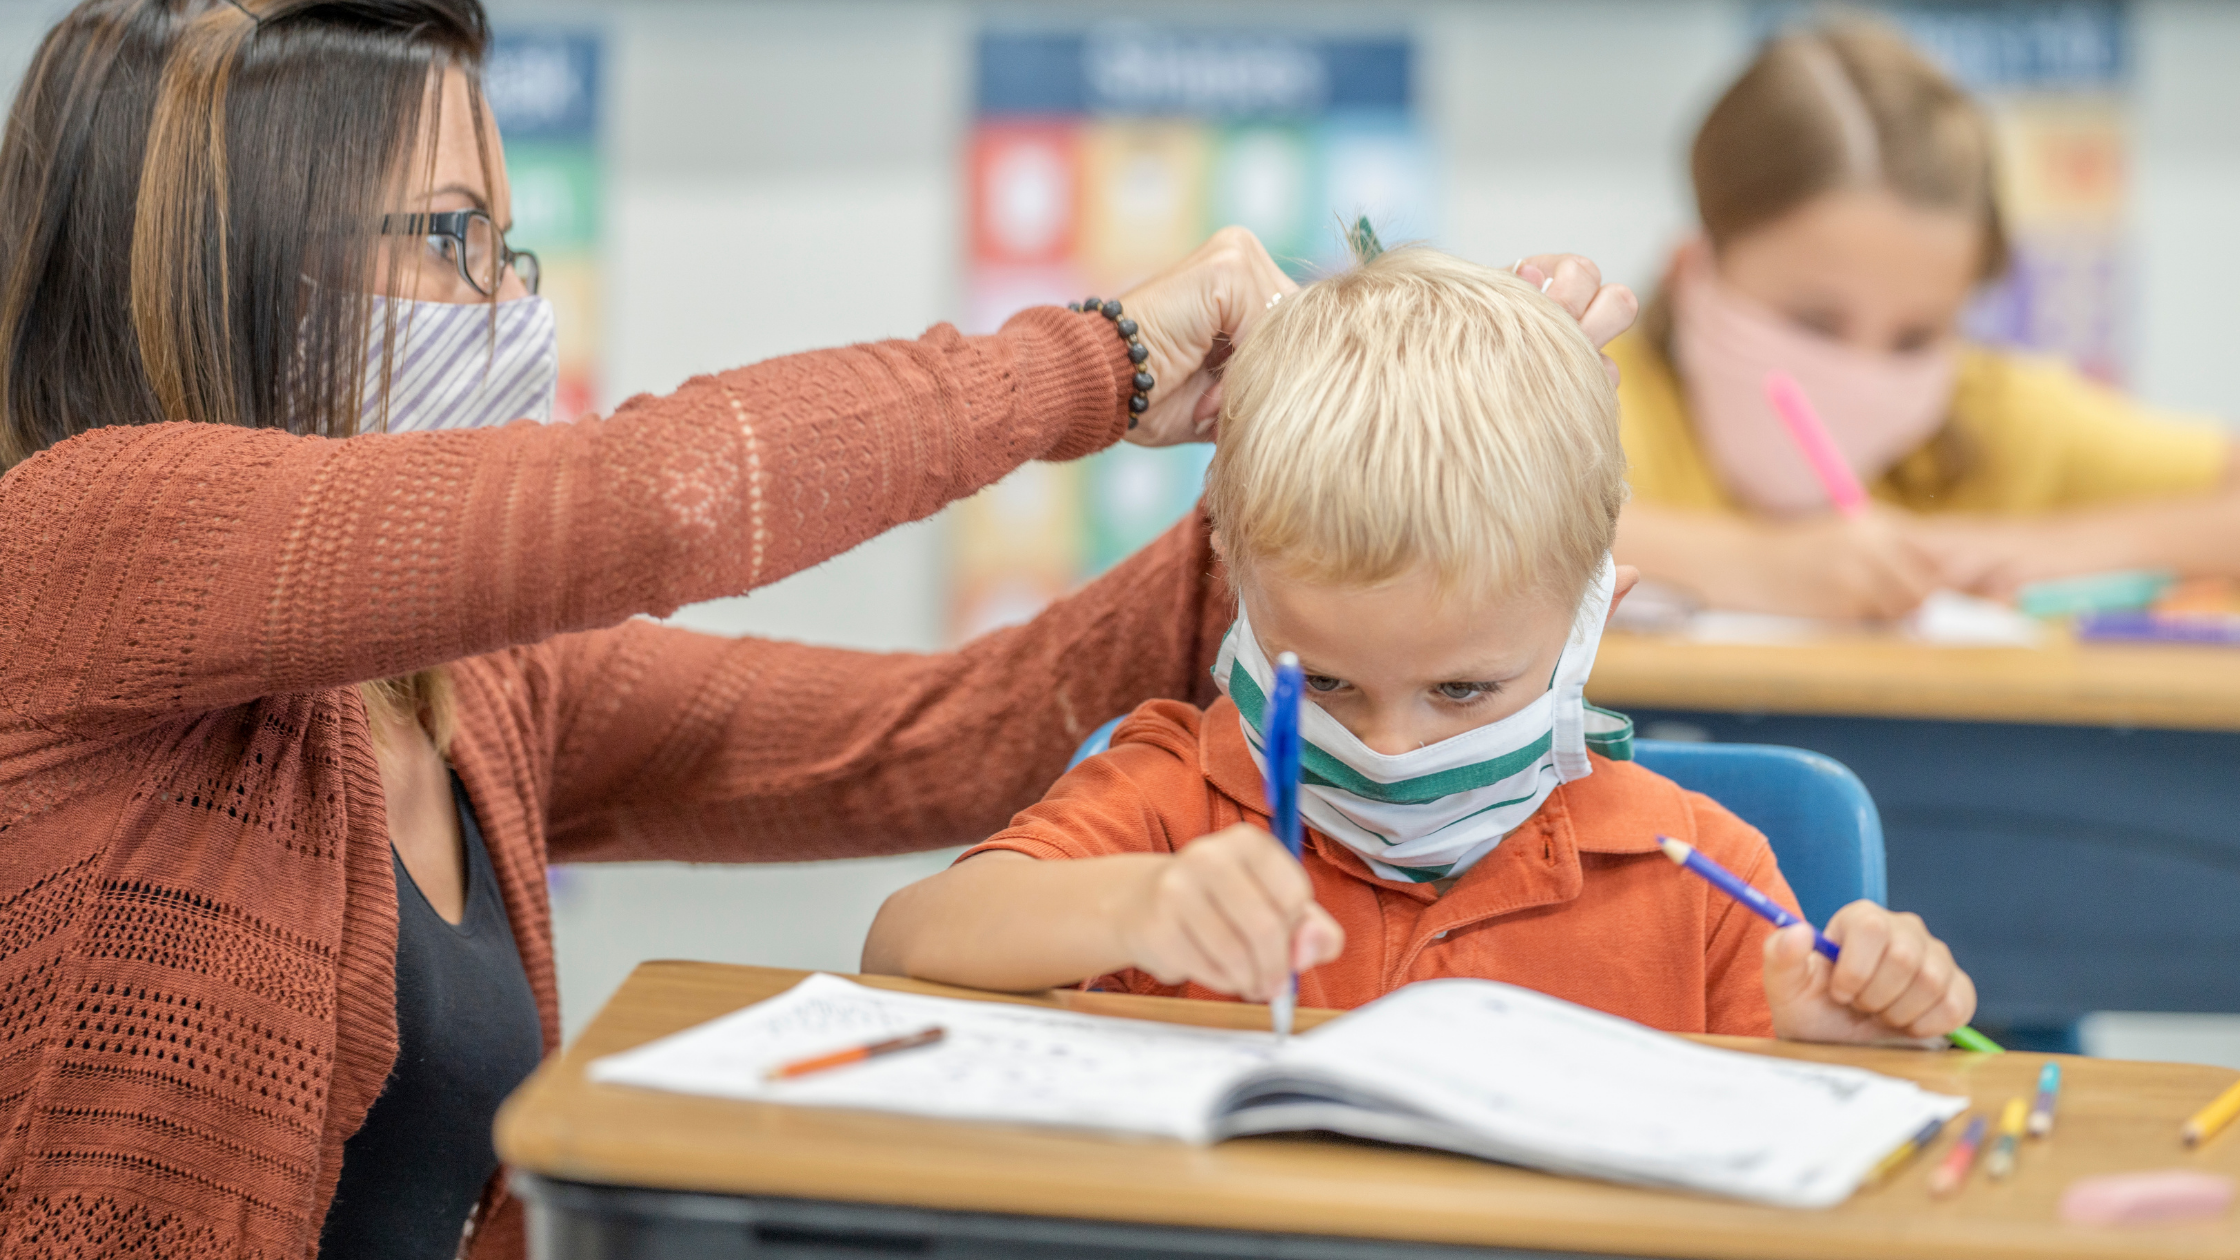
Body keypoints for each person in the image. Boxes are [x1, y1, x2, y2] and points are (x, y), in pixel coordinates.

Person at [0, 1, 1638, 1255]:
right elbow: (664, 502)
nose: (510, 303)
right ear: (236, 255)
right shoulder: (74, 539)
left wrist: (1353, 480)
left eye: (509, 243)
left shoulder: (463, 693)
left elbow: (946, 740)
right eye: (448, 240)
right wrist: (1107, 360)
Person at [864, 247, 1977, 1046]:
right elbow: (905, 943)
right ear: (1240, 606)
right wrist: (1137, 907)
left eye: (1461, 688)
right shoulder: (1171, 800)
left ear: (1597, 617)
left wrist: (1844, 1032)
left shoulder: (1696, 877)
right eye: (1327, 682)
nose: (1390, 746)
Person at [1610, 20, 2240, 620]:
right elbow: (1514, 531)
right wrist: (1759, 566)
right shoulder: (1598, 407)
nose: (1861, 375)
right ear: (1692, 267)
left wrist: (2059, 550)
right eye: (1814, 322)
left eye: (1915, 337)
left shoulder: (1994, 416)